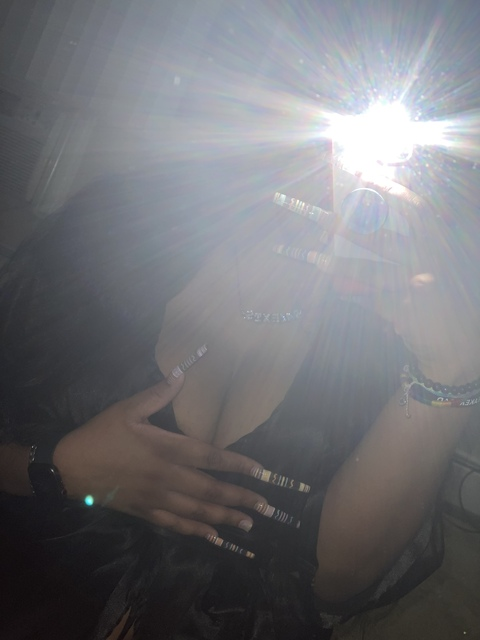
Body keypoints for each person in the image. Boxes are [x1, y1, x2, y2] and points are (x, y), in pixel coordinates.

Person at [0, 150, 479, 640]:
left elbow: (333, 582)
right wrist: (56, 466)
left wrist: (450, 367)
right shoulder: (121, 225)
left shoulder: (396, 325)